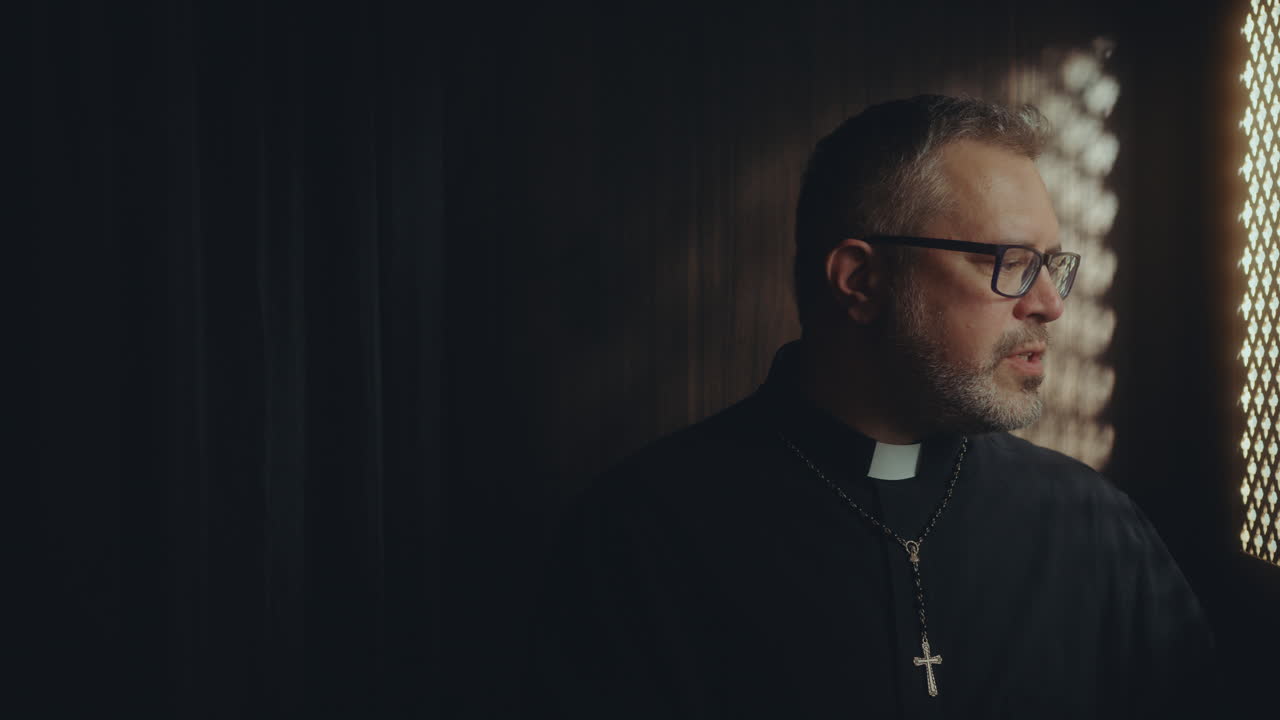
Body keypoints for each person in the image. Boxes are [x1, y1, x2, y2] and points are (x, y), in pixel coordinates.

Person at [528, 95, 1215, 719]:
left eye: (1051, 264)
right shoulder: (641, 537)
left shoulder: (1094, 527)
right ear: (861, 280)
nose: (1049, 304)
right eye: (1007, 261)